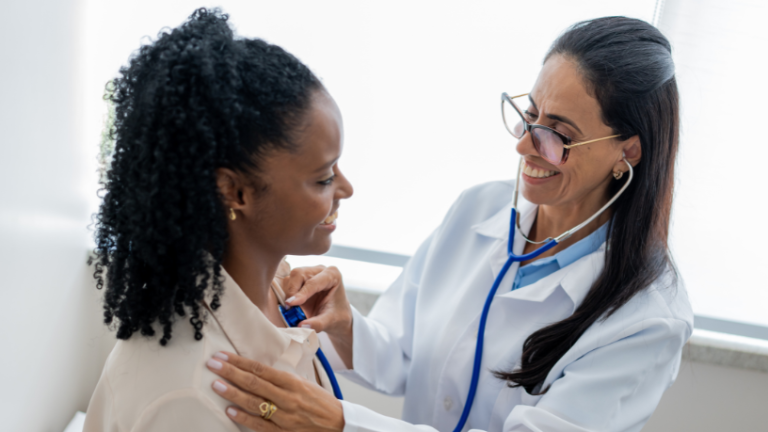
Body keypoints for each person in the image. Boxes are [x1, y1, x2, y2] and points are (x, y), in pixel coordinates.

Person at [205, 16, 693, 432]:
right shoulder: (478, 210)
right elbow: (401, 357)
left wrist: (340, 423)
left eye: (558, 135)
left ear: (627, 151)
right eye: (529, 115)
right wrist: (346, 326)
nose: (525, 145)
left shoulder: (647, 319)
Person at [83, 9, 353, 432]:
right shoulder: (187, 399)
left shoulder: (282, 296)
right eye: (323, 177)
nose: (346, 189)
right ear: (235, 191)